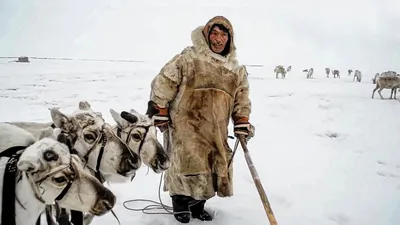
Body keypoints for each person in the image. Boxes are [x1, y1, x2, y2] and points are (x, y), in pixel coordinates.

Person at [146, 15, 255, 223]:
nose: (218, 39)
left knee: (211, 168)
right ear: (206, 35)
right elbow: (164, 82)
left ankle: (198, 206)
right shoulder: (188, 59)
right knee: (186, 165)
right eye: (214, 33)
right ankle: (180, 204)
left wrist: (242, 120)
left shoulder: (235, 70)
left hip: (216, 129)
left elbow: (242, 97)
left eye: (224, 35)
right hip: (185, 125)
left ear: (230, 39)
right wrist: (159, 110)